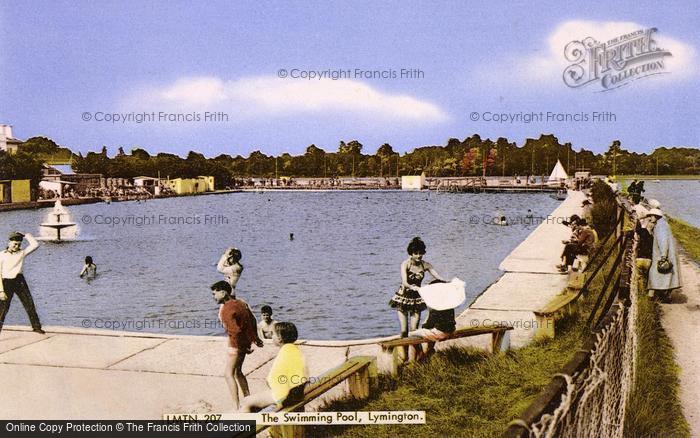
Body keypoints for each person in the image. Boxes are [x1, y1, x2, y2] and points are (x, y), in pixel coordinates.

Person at [211, 280, 263, 409]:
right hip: (243, 342)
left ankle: (236, 406)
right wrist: (254, 339)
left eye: (214, 294)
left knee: (228, 373)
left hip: (236, 344)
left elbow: (235, 331)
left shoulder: (226, 309)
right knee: (238, 372)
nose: (213, 297)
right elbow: (252, 320)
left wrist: (240, 346)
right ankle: (248, 399)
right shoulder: (241, 303)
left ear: (223, 292)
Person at [239, 322, 308, 412]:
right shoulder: (292, 349)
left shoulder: (287, 353)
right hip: (282, 392)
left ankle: (248, 425)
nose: (271, 336)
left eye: (273, 334)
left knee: (245, 402)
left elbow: (297, 383)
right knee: (248, 401)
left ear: (279, 339)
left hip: (281, 396)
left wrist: (281, 404)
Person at [389, 237, 447, 341]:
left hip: (417, 299)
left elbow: (437, 276)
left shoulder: (425, 265)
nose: (419, 256)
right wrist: (412, 287)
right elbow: (404, 282)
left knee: (414, 330)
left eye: (421, 253)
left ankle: (414, 356)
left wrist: (448, 282)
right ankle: (404, 355)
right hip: (403, 298)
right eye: (416, 253)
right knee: (404, 331)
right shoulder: (405, 264)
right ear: (411, 253)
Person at [0, 232, 45, 334]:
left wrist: (26, 235)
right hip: (6, 282)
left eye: (19, 244)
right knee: (3, 308)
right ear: (9, 242)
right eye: (15, 244)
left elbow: (35, 245)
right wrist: (1, 291)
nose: (16, 246)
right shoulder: (1, 255)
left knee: (29, 304)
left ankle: (36, 327)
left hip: (19, 281)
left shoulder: (22, 253)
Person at [647, 209, 682, 303]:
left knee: (655, 274)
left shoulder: (660, 226)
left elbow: (663, 242)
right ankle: (664, 296)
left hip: (662, 255)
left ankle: (652, 296)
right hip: (666, 254)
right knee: (666, 275)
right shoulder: (662, 224)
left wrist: (663, 256)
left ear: (655, 216)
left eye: (651, 216)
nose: (650, 218)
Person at [633, 206, 654, 295]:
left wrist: (642, 217)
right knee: (646, 277)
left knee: (639, 277)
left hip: (639, 259)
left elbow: (636, 227)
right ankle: (647, 293)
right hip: (648, 260)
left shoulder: (642, 231)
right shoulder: (652, 238)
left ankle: (641, 294)